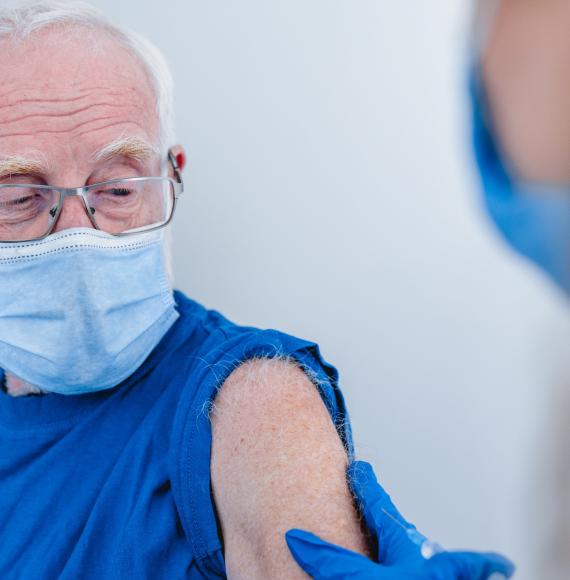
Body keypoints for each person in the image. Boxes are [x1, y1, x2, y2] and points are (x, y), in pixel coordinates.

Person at [0, 1, 513, 579]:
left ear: (172, 178)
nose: (79, 237)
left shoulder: (252, 399)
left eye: (118, 189)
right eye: (19, 197)